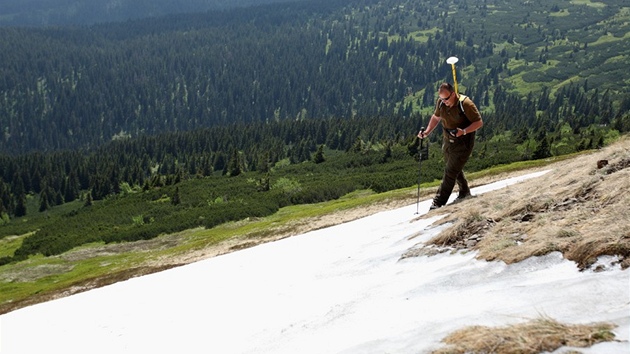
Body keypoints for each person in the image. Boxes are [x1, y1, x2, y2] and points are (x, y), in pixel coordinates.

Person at [417, 82, 483, 210]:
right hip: (448, 140)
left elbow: (479, 122)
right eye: (441, 98)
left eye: (446, 98)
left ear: (453, 94)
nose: (444, 101)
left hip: (463, 142)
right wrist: (427, 132)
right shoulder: (441, 103)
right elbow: (436, 117)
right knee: (453, 168)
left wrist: (463, 131)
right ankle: (464, 192)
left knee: (450, 171)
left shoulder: (466, 104)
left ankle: (438, 202)